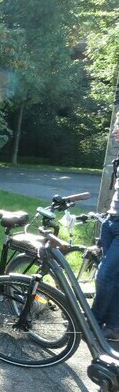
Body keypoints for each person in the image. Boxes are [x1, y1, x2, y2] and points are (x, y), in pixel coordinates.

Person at [91, 112, 119, 340]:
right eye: (116, 125)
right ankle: (113, 326)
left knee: (104, 275)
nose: (115, 132)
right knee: (113, 278)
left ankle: (92, 322)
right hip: (112, 221)